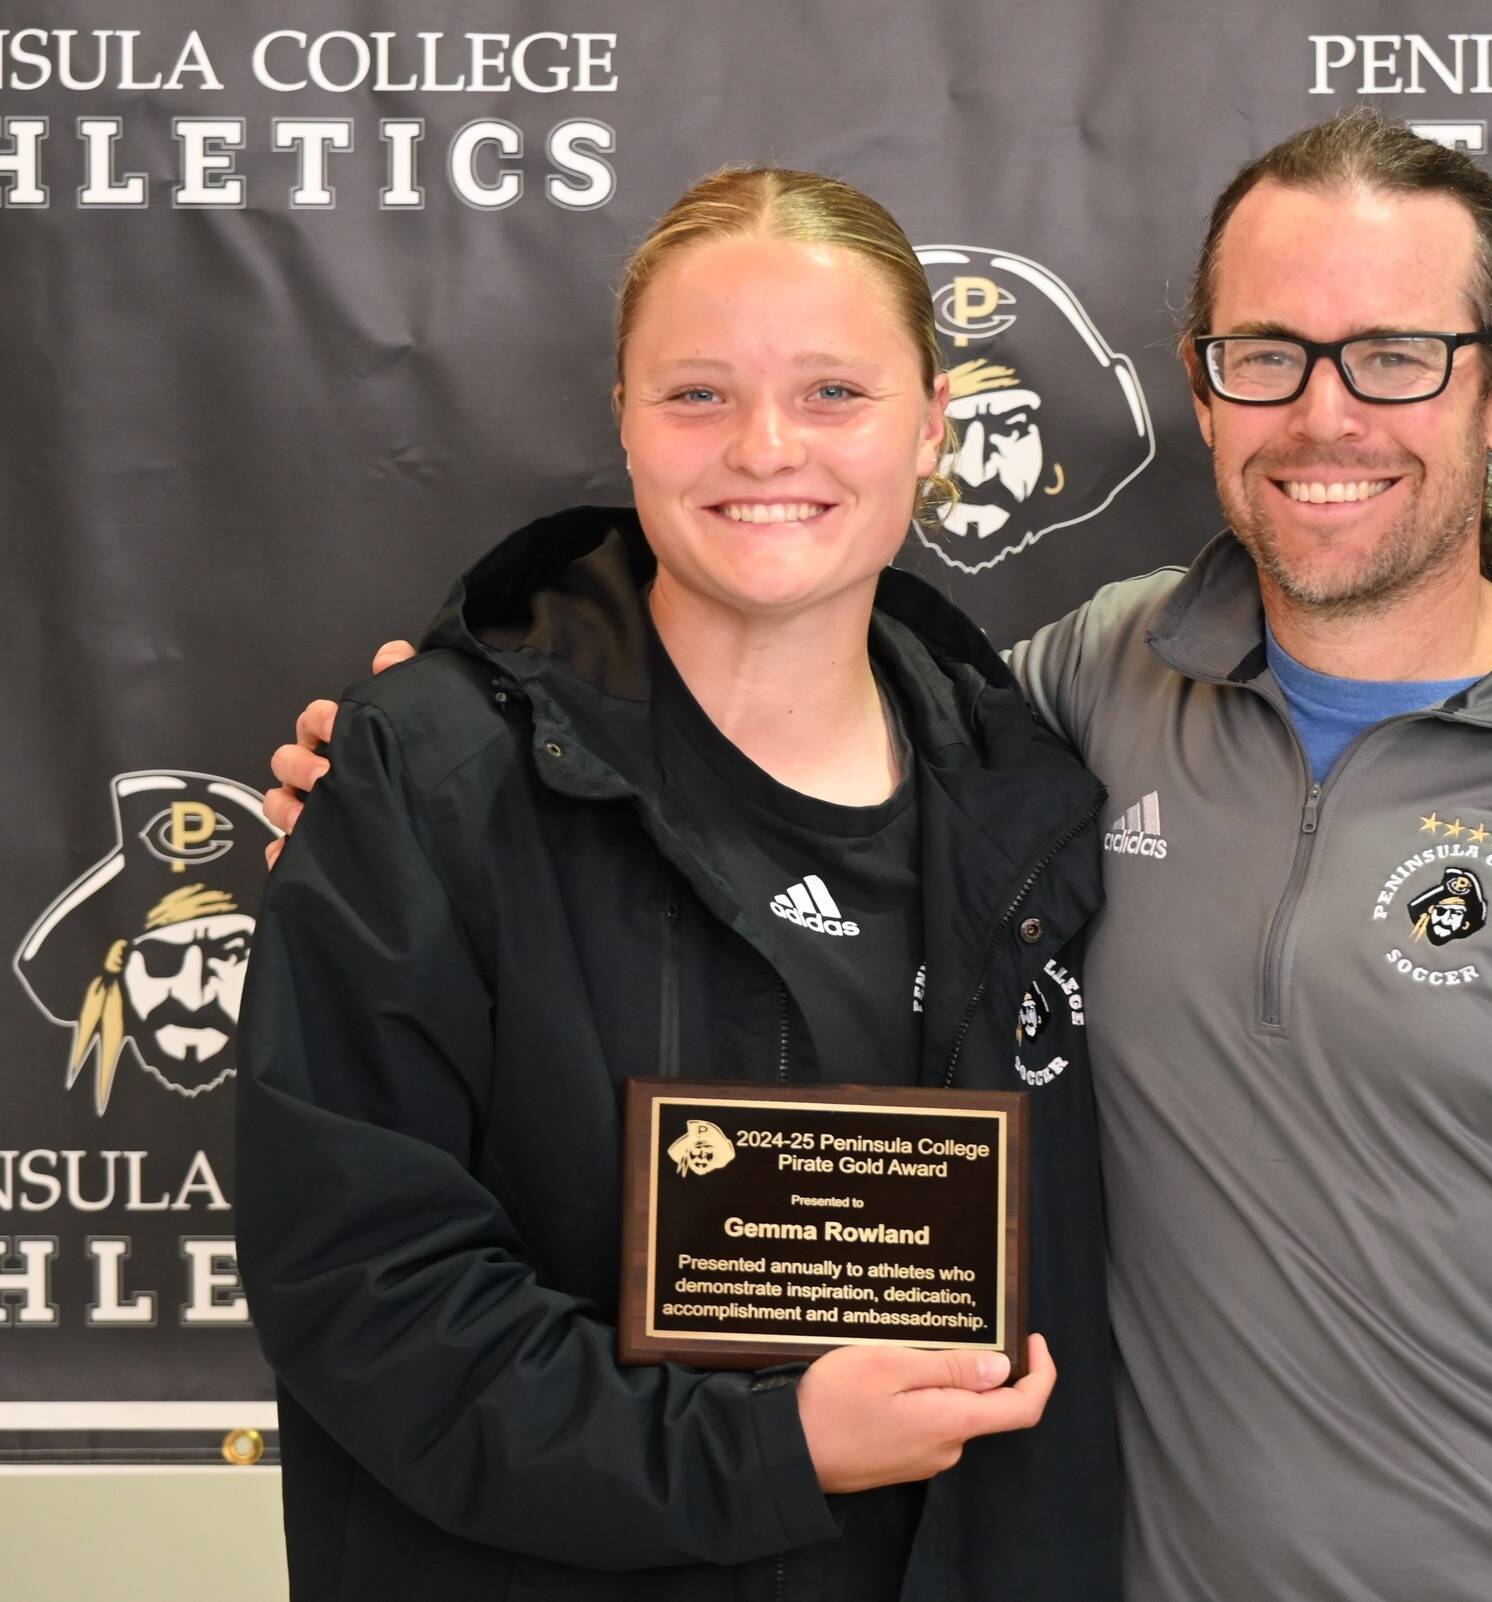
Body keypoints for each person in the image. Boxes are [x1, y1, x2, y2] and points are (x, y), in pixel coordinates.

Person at [269, 112, 1492, 1601]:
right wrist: (424, 764)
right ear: (1204, 387)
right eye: (1268, 353)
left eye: (1397, 355)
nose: (1326, 412)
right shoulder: (1081, 698)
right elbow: (747, 706)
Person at [238, 167, 1121, 1602]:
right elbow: (366, 1289)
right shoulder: (434, 773)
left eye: (836, 391)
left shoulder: (1030, 796)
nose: (766, 448)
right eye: (698, 394)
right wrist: (767, 1445)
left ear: (933, 426)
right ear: (625, 420)